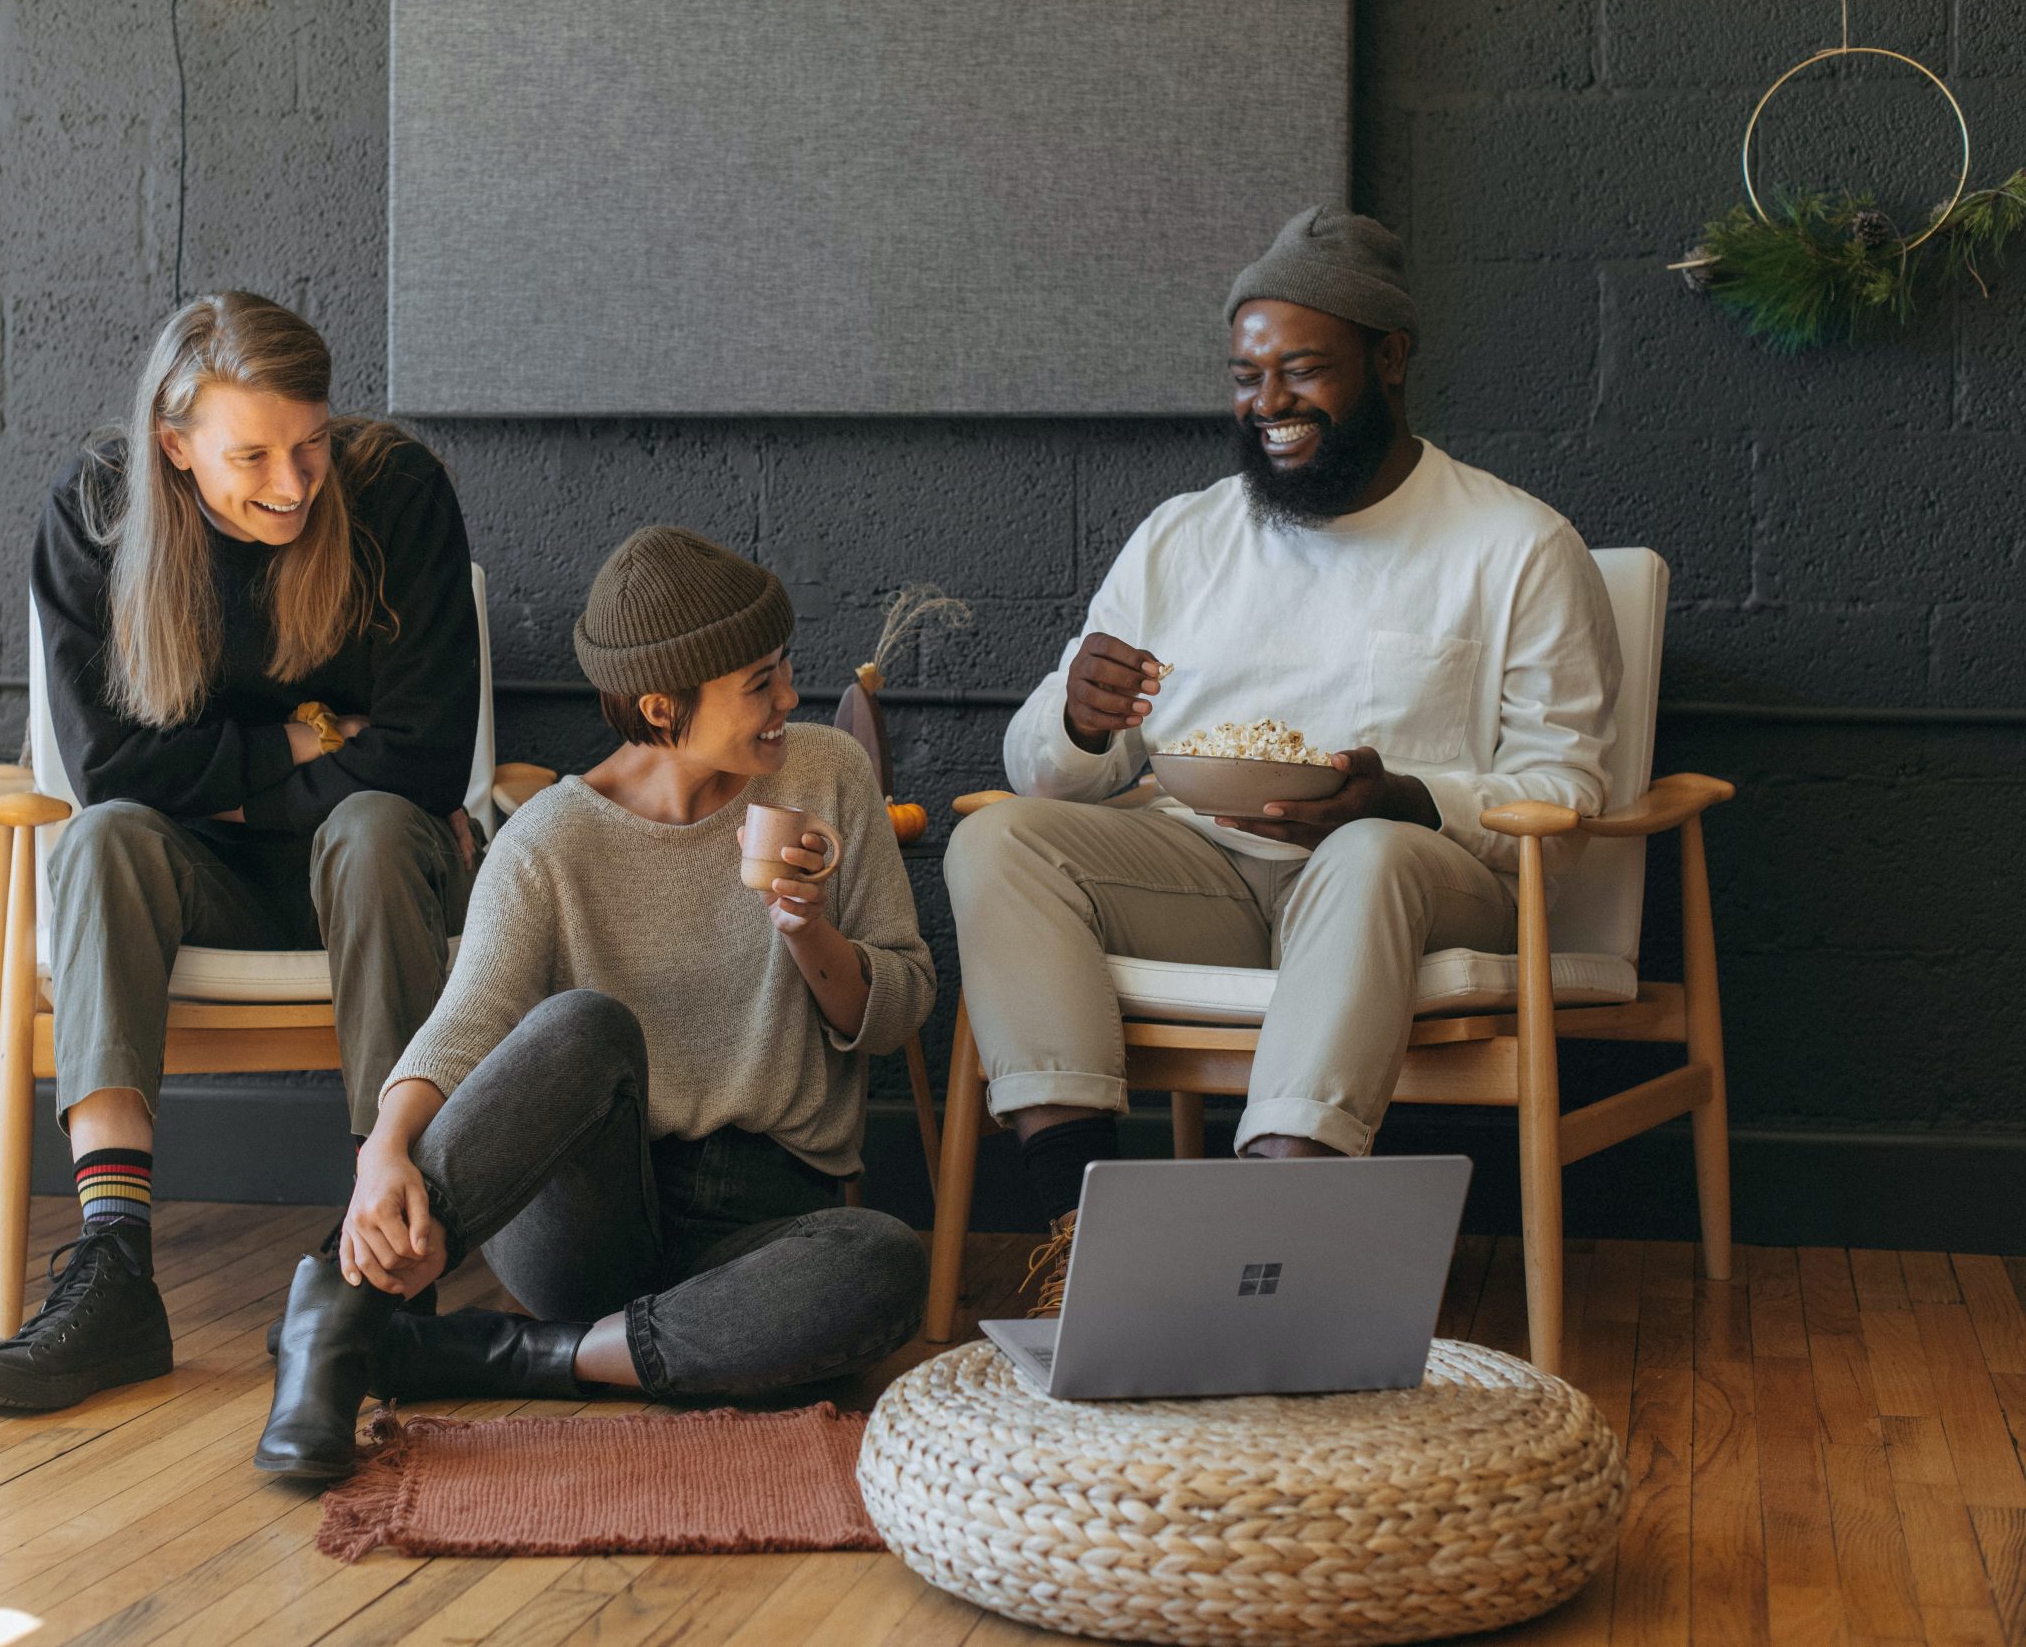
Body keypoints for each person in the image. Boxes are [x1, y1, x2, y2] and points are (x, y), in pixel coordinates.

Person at [945, 205, 1621, 1307]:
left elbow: (1566, 788)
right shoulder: (1183, 537)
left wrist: (1405, 797)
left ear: (1391, 360)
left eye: (1302, 371)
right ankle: (1085, 1241)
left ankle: (1268, 1245)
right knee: (999, 840)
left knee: (1366, 853)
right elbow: (1049, 774)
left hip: (1418, 883)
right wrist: (1079, 717)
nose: (1269, 405)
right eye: (1246, 375)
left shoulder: (1514, 547)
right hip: (1202, 869)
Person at [254, 526, 934, 1482]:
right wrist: (382, 1152)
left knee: (884, 1262)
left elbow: (902, 1005)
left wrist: (809, 929)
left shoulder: (826, 774)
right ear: (663, 705)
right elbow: (469, 1018)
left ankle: (511, 1356)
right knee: (582, 1025)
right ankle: (344, 1311)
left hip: (768, 1223)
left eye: (784, 669)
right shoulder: (549, 840)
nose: (788, 697)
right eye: (759, 683)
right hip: (589, 1220)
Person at [0, 291, 481, 1411]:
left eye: (311, 444)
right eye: (253, 455)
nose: (295, 484)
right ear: (173, 443)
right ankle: (114, 1269)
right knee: (98, 842)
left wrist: (219, 781)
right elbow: (103, 770)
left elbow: (425, 766)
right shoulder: (97, 512)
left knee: (378, 826)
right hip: (199, 887)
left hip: (380, 877)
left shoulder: (396, 494)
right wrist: (306, 740)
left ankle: (386, 1259)